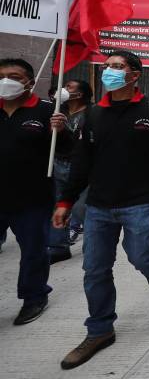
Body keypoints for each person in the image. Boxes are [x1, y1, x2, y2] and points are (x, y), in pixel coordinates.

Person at [53, 50, 149, 369]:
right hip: (99, 205)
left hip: (140, 200)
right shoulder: (93, 116)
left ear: (134, 75)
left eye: (118, 67)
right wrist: (65, 201)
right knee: (95, 269)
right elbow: (81, 163)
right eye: (107, 66)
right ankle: (99, 329)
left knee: (141, 255)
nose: (109, 71)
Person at [1, 58, 72, 325]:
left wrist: (61, 132)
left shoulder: (46, 112)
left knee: (33, 251)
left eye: (15, 76)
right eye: (2, 75)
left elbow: (68, 151)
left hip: (32, 198)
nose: (6, 81)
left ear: (30, 82)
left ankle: (34, 297)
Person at [49, 79, 93, 263]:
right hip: (59, 163)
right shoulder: (59, 110)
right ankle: (59, 246)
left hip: (82, 167)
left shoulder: (92, 113)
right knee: (59, 205)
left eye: (69, 87)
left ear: (80, 94)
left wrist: (64, 130)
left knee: (82, 209)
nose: (64, 90)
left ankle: (92, 248)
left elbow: (85, 143)